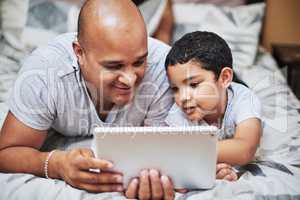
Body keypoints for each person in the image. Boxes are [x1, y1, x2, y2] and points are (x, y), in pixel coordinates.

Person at [0, 0, 177, 199]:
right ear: (79, 53)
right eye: (113, 66)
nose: (130, 79)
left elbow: (165, 156)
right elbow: (5, 153)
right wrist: (56, 164)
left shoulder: (163, 66)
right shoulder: (45, 72)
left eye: (139, 62)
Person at [164, 31, 262, 180]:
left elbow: (245, 149)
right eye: (175, 89)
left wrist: (187, 151)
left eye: (194, 84)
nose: (182, 98)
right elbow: (177, 163)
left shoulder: (244, 99)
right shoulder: (177, 114)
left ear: (224, 78)